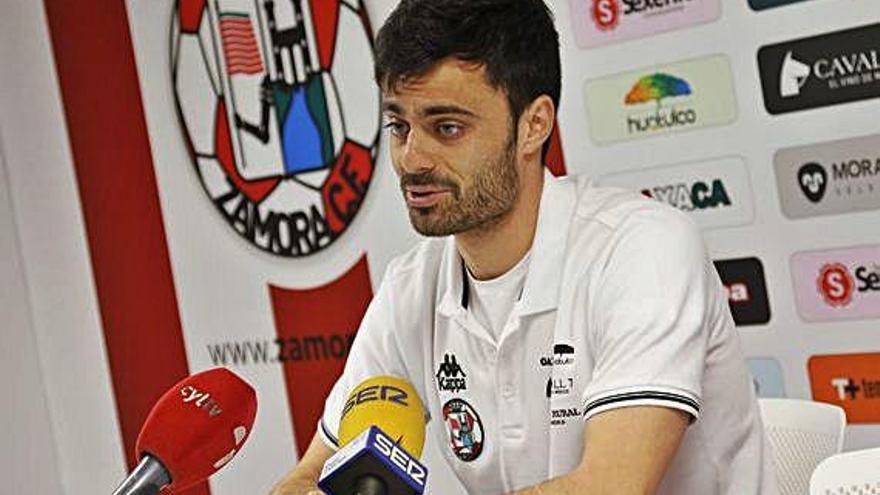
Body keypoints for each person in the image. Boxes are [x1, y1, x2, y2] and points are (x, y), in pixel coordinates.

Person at [270, 0, 778, 493]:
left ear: (534, 124)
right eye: (399, 126)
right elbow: (309, 474)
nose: (411, 158)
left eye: (447, 128)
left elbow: (611, 488)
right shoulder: (412, 288)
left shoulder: (644, 249)